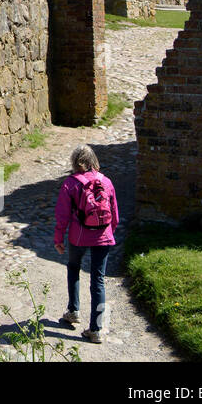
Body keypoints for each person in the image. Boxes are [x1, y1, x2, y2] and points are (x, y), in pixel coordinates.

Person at [53, 145, 119, 344]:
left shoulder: (71, 184)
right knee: (98, 280)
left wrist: (59, 239)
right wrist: (108, 233)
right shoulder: (106, 181)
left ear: (75, 162)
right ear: (93, 161)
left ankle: (73, 310)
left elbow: (62, 216)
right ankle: (96, 329)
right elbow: (114, 214)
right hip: (103, 237)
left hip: (78, 237)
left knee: (74, 267)